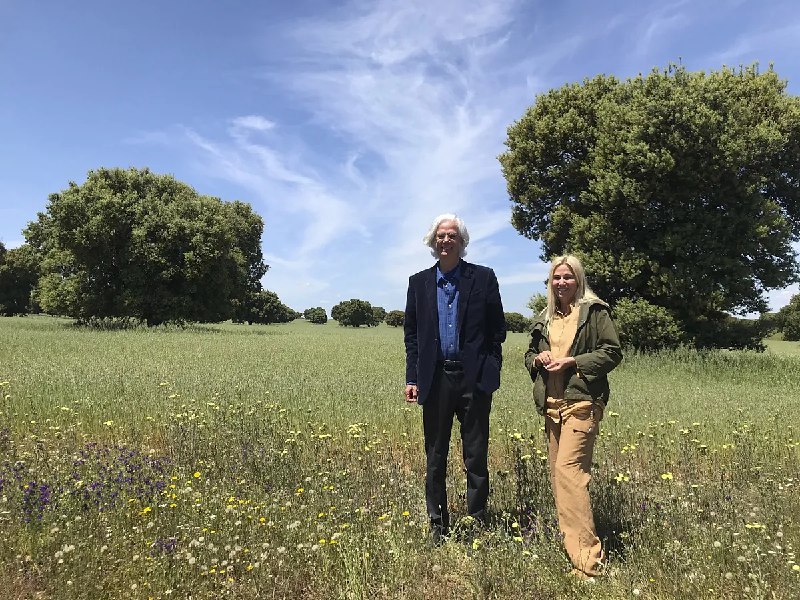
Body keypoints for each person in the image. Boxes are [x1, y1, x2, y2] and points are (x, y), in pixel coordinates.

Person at [404, 213, 506, 542]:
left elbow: (497, 331)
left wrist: (490, 370)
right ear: (433, 242)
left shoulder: (483, 278)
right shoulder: (418, 283)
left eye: (452, 236)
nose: (445, 240)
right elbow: (413, 337)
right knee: (435, 456)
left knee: (475, 455)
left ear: (462, 242)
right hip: (435, 381)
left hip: (474, 380)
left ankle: (476, 522)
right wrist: (412, 376)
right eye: (440, 235)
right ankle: (438, 524)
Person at [524, 255, 622, 580]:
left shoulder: (594, 312)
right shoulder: (545, 318)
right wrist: (538, 358)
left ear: (578, 280)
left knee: (569, 475)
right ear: (550, 282)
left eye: (568, 277)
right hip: (552, 406)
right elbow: (528, 355)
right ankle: (575, 551)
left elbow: (612, 352)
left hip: (581, 403)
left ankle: (589, 566)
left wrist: (572, 362)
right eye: (556, 278)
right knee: (560, 478)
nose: (562, 282)